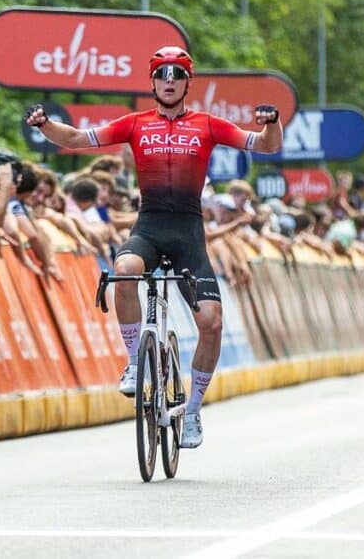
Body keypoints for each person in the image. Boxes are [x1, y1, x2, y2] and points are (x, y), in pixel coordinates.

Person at [25, 46, 282, 448]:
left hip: (188, 234)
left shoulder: (209, 125)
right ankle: (133, 363)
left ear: (186, 82)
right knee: (122, 271)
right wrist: (44, 126)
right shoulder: (135, 124)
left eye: (176, 74)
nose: (168, 81)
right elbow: (75, 139)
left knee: (211, 323)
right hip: (150, 226)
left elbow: (266, 145)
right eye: (161, 74)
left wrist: (272, 124)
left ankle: (193, 411)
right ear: (152, 82)